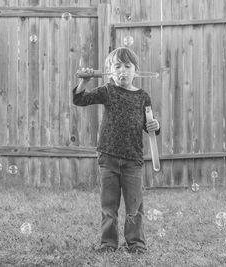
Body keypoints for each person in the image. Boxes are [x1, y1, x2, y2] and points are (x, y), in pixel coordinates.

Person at [72, 47, 160, 254]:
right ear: (109, 72)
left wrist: (155, 125)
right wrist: (84, 82)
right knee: (109, 206)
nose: (122, 70)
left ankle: (136, 244)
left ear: (136, 71)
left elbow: (148, 125)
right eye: (117, 66)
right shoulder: (107, 91)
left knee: (134, 207)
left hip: (132, 160)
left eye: (127, 66)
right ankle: (108, 244)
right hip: (108, 158)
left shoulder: (143, 97)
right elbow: (80, 100)